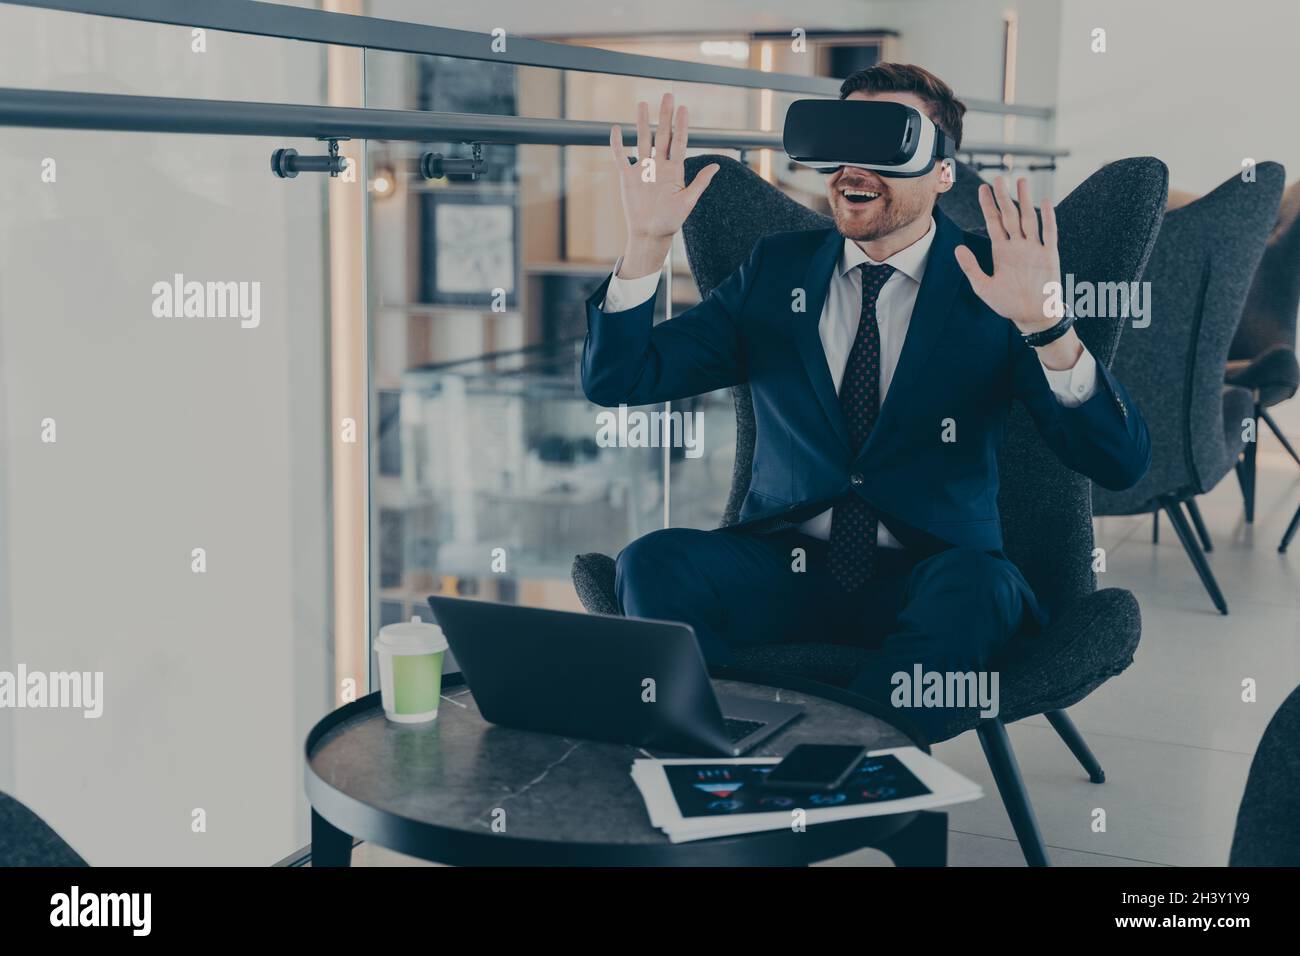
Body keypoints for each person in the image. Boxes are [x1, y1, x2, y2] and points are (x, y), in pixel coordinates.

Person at [581, 63, 1150, 740]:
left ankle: (845, 759)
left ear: (944, 173)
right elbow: (620, 380)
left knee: (980, 590)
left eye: (888, 145)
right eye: (844, 141)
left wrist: (1046, 330)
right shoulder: (776, 271)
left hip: (934, 577)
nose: (855, 168)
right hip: (786, 567)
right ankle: (718, 740)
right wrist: (645, 248)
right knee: (653, 561)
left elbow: (1118, 463)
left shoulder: (995, 286)